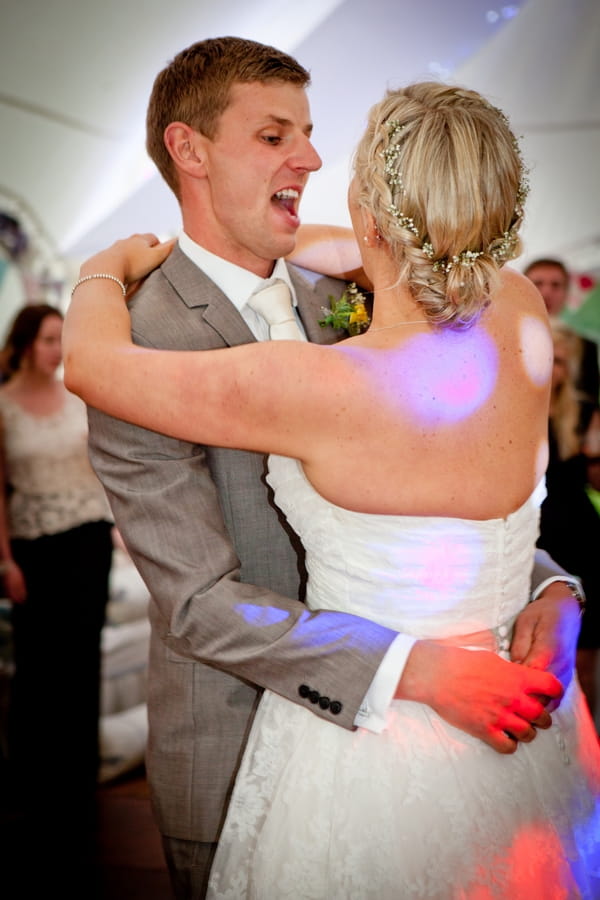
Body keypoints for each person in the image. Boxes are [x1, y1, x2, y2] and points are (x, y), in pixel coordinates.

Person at [63, 79, 600, 897]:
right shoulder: (520, 309)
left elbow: (94, 368)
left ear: (375, 218)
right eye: (278, 136)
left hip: (368, 759)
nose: (311, 161)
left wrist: (102, 269)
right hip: (531, 732)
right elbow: (473, 518)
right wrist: (560, 589)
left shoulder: (312, 384)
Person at [0, 304, 113, 879]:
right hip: (33, 545)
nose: (55, 350)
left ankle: (78, 776)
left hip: (89, 538)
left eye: (60, 339)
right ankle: (30, 781)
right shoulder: (2, 405)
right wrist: (5, 559)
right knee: (37, 663)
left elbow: (102, 465)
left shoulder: (77, 394)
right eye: (48, 340)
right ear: (23, 343)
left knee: (81, 655)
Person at [537, 318, 600, 725]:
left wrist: (594, 453)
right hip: (537, 534)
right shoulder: (518, 409)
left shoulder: (583, 412)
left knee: (586, 647)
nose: (553, 369)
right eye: (548, 359)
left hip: (580, 535)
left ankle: (587, 736)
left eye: (561, 361)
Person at [524, 256, 599, 436]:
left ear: (566, 293)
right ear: (524, 289)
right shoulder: (504, 340)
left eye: (556, 285)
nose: (547, 292)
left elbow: (589, 398)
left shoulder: (586, 346)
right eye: (538, 283)